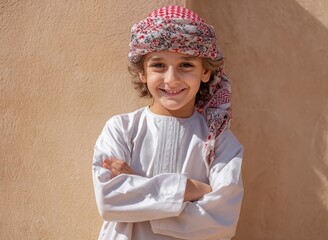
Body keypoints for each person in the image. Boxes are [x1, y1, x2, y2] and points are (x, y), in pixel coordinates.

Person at [92, 5, 244, 240]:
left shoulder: (219, 139)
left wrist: (138, 189)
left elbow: (222, 220)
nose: (171, 79)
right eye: (158, 65)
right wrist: (192, 189)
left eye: (186, 65)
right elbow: (109, 201)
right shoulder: (121, 129)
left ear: (205, 72)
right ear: (142, 73)